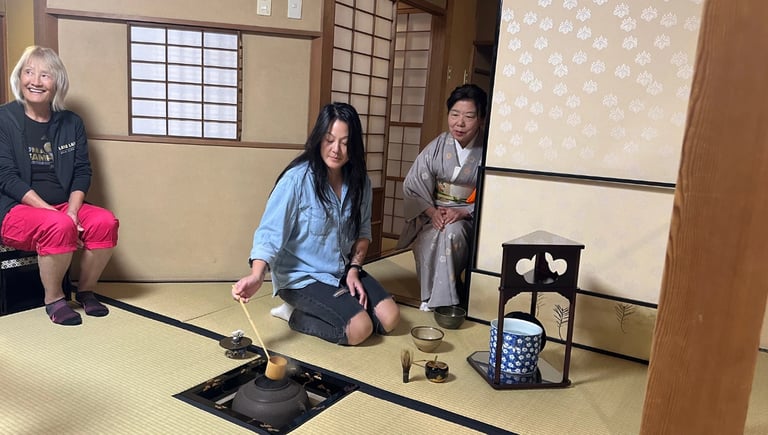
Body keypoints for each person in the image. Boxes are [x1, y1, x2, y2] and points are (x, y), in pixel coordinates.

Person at [232, 102, 400, 346]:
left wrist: (353, 269)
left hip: (341, 270)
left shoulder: (360, 183)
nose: (336, 149)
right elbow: (269, 233)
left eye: (344, 142)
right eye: (329, 140)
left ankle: (336, 307)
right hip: (302, 277)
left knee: (390, 319)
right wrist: (257, 276)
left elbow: (363, 231)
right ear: (319, 137)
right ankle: (294, 314)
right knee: (360, 329)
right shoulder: (297, 180)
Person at [0, 46, 119, 326]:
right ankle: (54, 299)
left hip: (64, 205)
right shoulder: (4, 118)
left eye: (45, 75)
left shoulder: (71, 122)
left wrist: (73, 212)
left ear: (57, 83)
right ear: (19, 78)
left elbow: (81, 171)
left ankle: (86, 291)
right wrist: (55, 215)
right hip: (15, 208)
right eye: (28, 72)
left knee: (104, 221)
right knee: (59, 225)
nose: (36, 81)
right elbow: (6, 176)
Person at [396, 84, 488, 311]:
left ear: (481, 119)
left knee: (451, 235)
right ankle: (428, 296)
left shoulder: (487, 149)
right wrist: (431, 212)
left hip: (467, 218)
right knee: (429, 238)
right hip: (435, 213)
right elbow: (413, 183)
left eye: (469, 116)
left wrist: (465, 211)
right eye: (454, 114)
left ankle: (443, 301)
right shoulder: (438, 145)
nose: (460, 123)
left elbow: (496, 195)